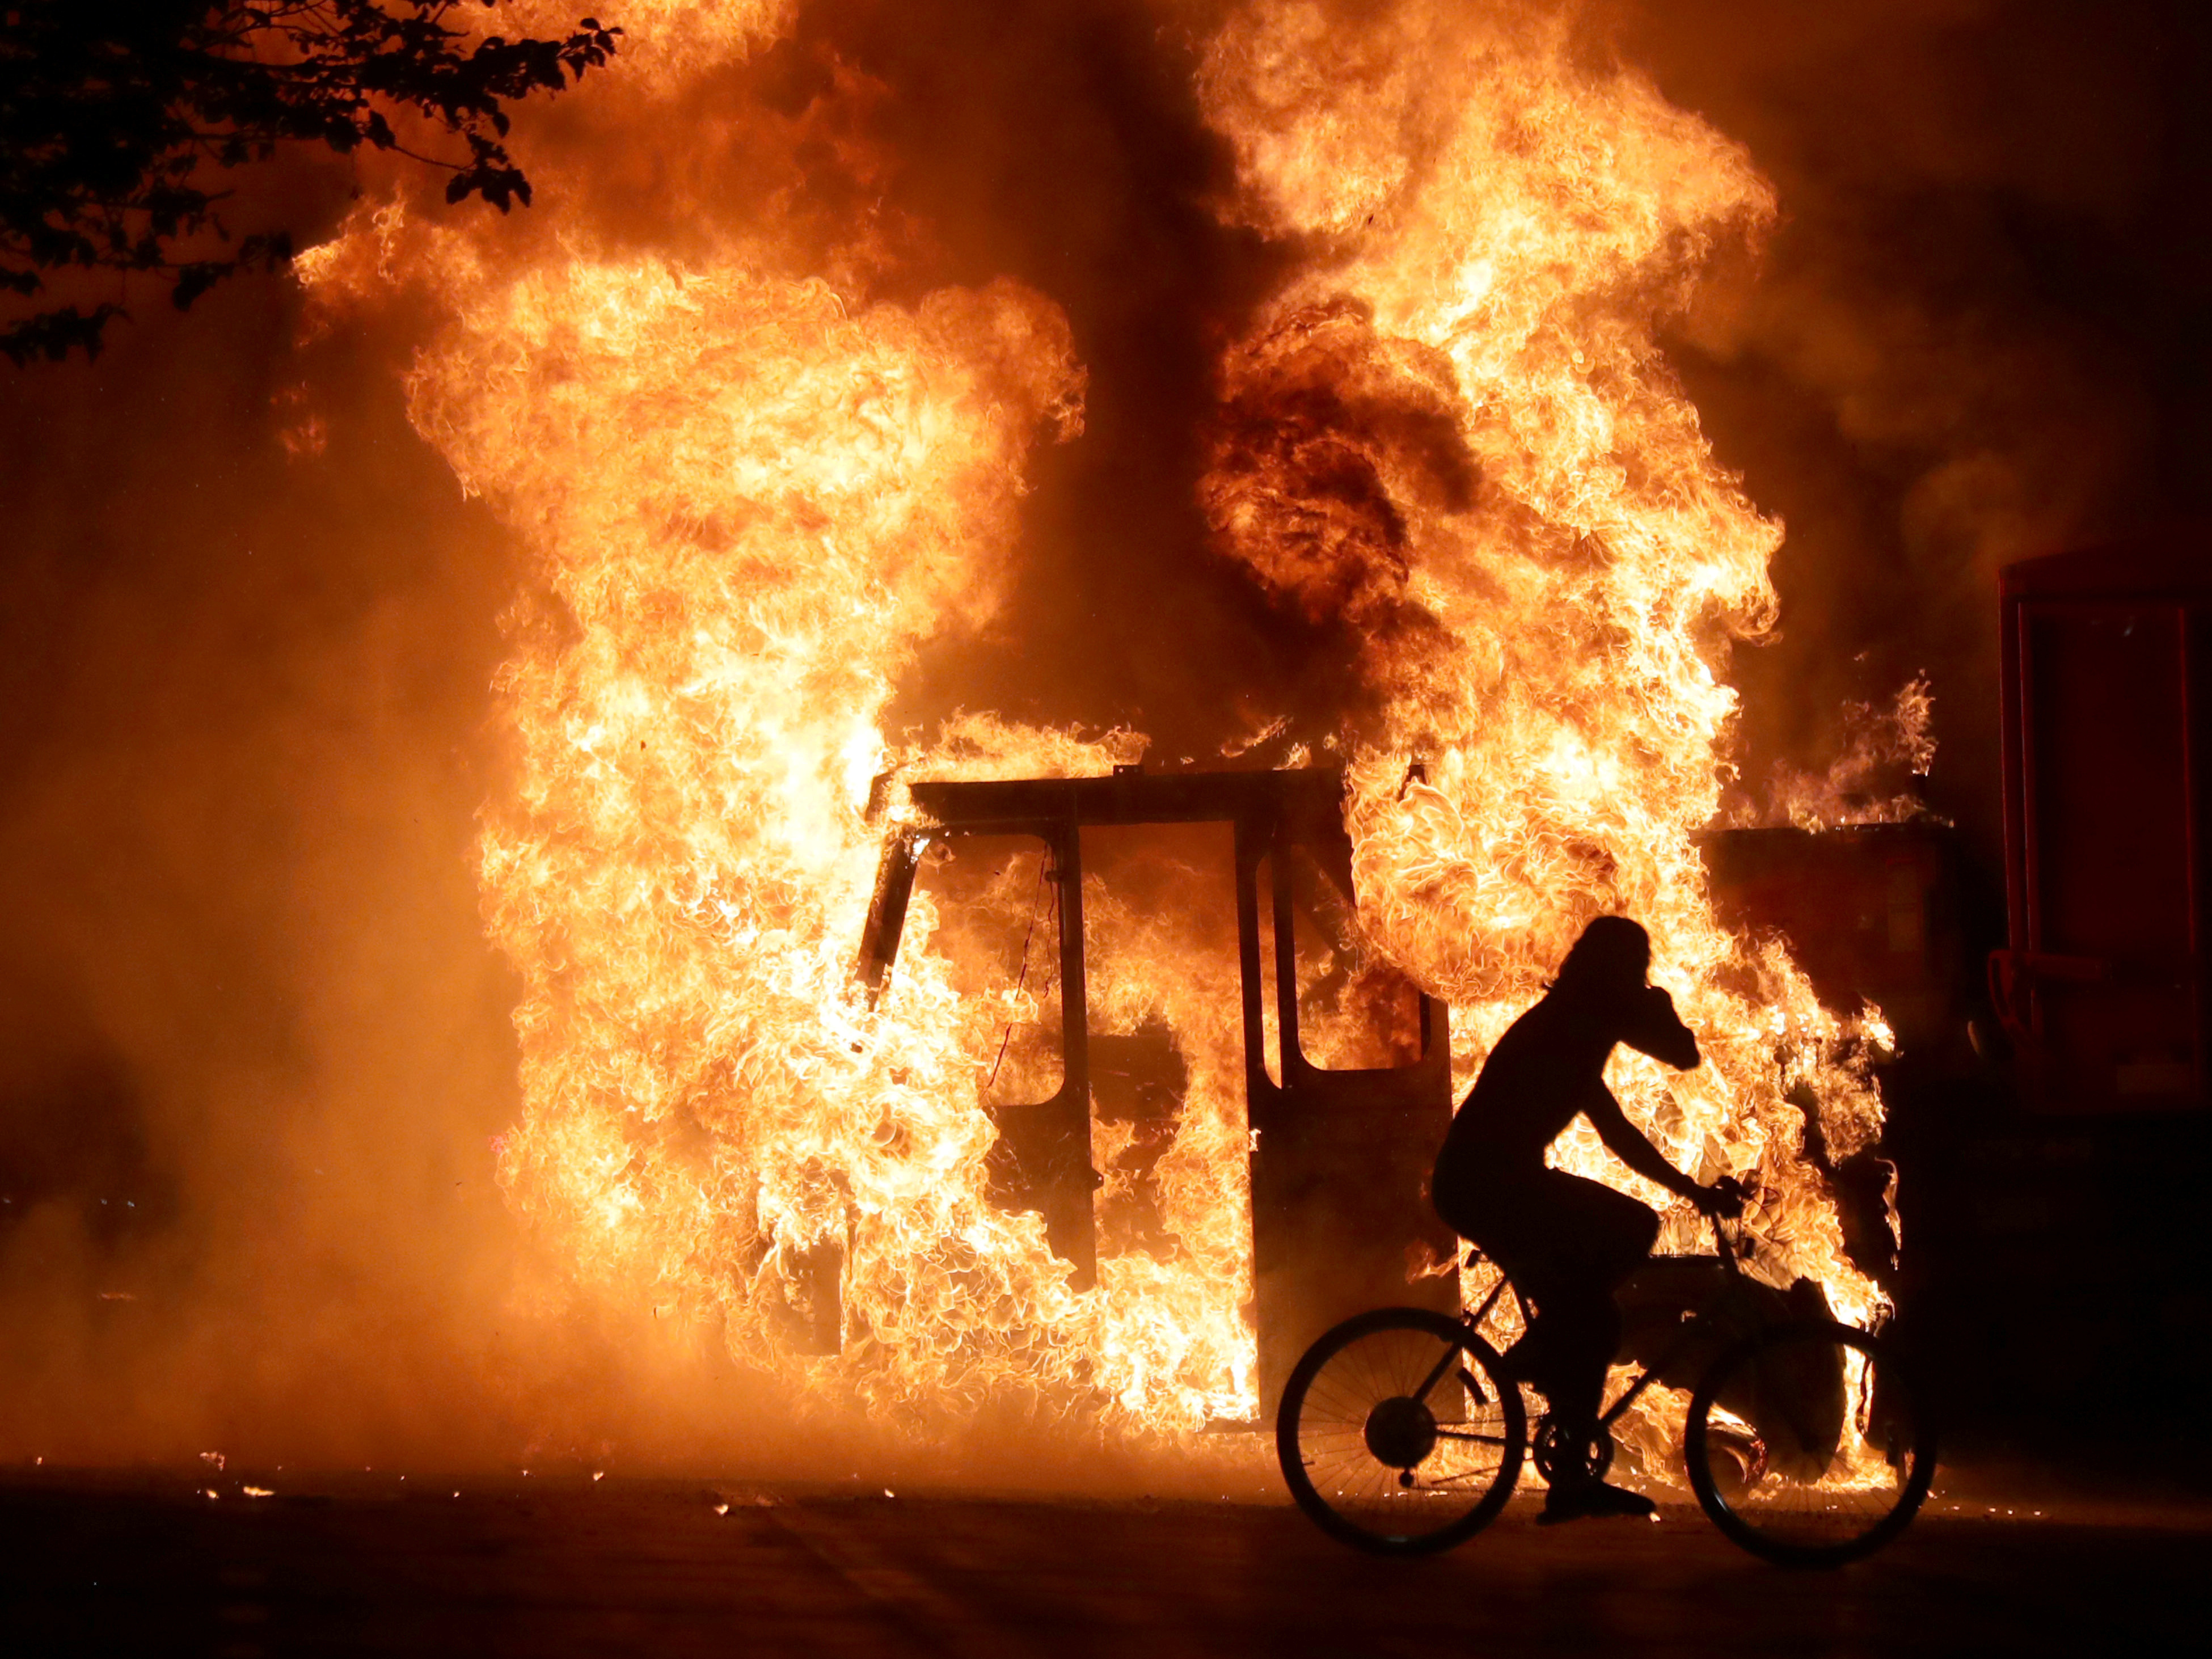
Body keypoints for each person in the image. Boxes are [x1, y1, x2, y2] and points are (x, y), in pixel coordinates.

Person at [1430, 915, 1744, 1523]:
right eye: (1635, 969)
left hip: (1499, 1182)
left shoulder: (1576, 1022)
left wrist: (1689, 1189)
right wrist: (1663, 1009)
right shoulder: (1573, 1028)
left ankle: (1563, 1432)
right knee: (1619, 1256)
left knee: (1591, 1317)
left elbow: (1624, 1120)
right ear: (1614, 973)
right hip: (1485, 1187)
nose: (1641, 981)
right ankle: (1542, 1354)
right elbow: (1676, 1059)